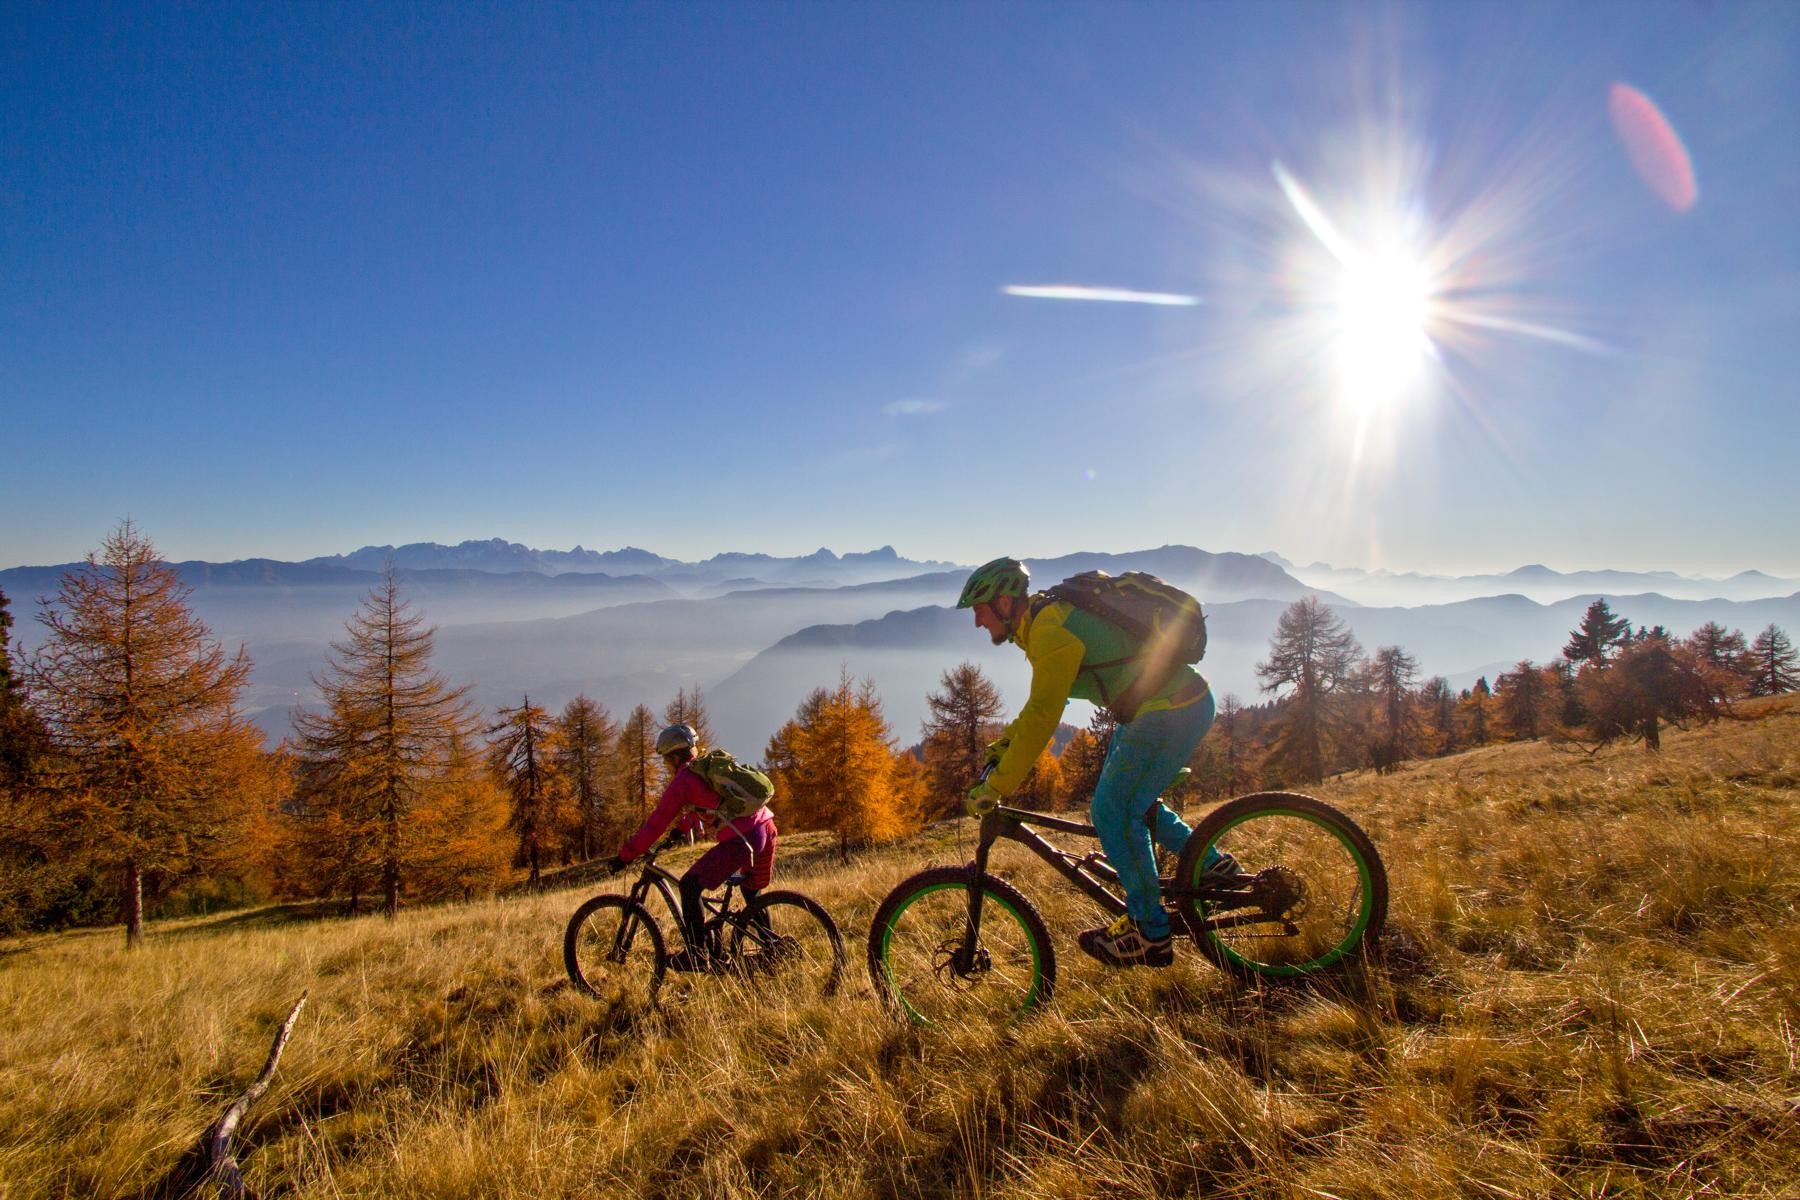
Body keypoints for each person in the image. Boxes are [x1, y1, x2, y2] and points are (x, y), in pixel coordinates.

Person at [958, 556, 1226, 968]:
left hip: (1170, 709)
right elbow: (1042, 704)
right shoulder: (1046, 623)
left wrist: (997, 786)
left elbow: (1046, 713)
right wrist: (1003, 748)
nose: (977, 621)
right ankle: (1212, 866)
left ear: (1007, 603)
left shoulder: (1049, 630)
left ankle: (1148, 932)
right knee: (1136, 806)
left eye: (980, 609)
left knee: (1111, 809)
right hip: (1165, 706)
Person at [606, 723, 778, 972]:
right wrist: (681, 829)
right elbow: (711, 804)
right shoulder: (706, 766)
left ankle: (697, 955)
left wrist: (625, 856)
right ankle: (772, 949)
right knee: (752, 893)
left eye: (665, 759)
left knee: (689, 886)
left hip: (743, 838)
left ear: (675, 757)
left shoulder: (683, 781)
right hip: (765, 827)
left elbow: (655, 825)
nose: (665, 765)